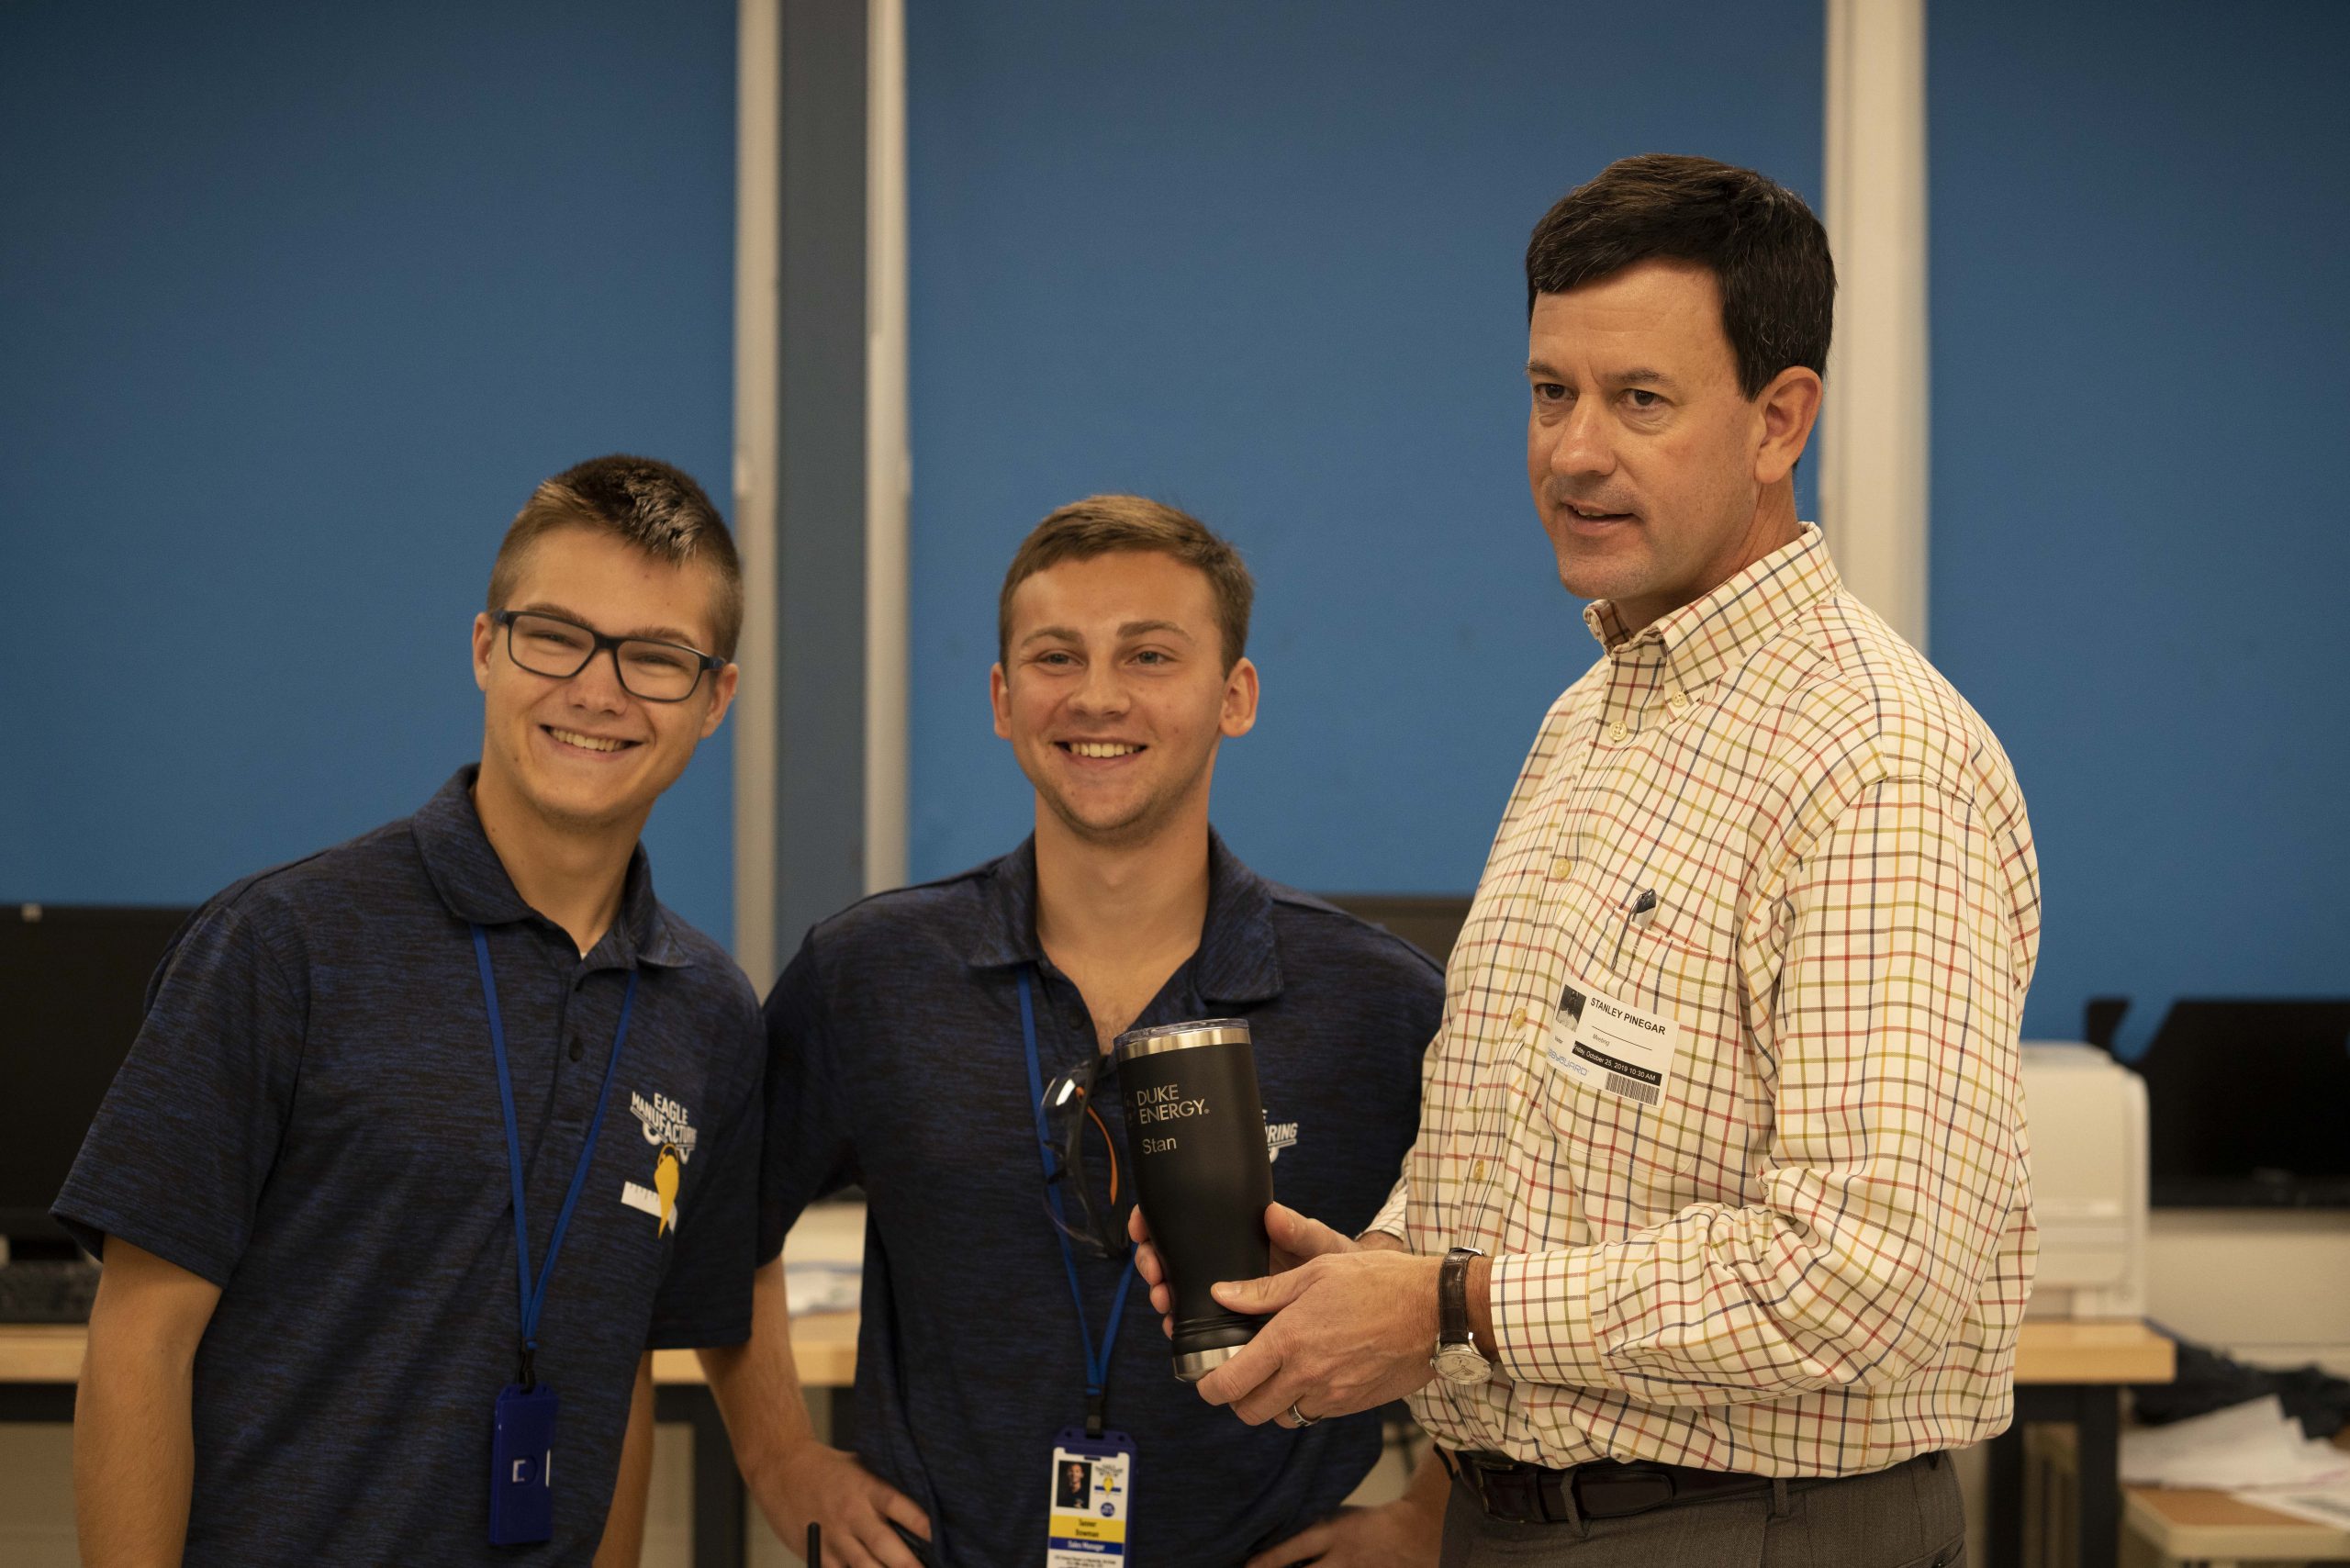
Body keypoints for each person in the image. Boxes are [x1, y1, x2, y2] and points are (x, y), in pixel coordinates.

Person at [1138, 155, 2042, 1564]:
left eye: (1640, 400)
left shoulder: (1874, 759)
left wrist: (1451, 1305)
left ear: (1778, 419)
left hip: (1747, 1529)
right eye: (1551, 392)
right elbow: (1536, 1171)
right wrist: (1360, 1283)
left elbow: (1872, 1279)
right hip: (1519, 1519)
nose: (1572, 452)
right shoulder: (1591, 718)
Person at [699, 496, 1450, 1567]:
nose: (1097, 696)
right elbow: (729, 1226)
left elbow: (1505, 1269)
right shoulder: (869, 975)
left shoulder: (1374, 1003)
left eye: (1150, 655)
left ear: (1233, 695)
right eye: (1056, 657)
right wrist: (781, 1461)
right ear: (1003, 699)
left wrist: (1429, 1512)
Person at [57, 455, 767, 1567]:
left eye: (657, 658)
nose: (597, 689)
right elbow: (138, 1341)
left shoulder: (709, 1015)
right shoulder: (280, 943)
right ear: (485, 647)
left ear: (717, 697)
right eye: (555, 635)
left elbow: (619, 1364)